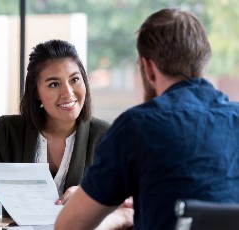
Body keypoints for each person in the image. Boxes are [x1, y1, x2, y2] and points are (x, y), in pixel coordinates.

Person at [56, 8, 239, 230]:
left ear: (149, 68)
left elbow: (69, 226)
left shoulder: (137, 127)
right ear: (204, 61)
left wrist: (121, 215)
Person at [0, 39, 115, 220]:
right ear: (36, 92)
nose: (68, 92)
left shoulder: (105, 136)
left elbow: (128, 201)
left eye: (74, 79)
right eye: (54, 84)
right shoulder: (9, 132)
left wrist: (89, 197)